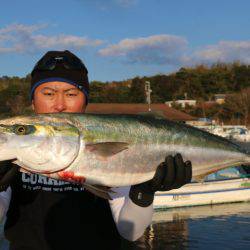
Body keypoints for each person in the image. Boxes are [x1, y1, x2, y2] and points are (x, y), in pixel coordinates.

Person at [0, 50, 192, 250]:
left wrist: (143, 192)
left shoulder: (110, 138)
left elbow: (131, 232)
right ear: (33, 101)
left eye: (71, 94)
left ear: (85, 101)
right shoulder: (12, 157)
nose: (59, 104)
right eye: (48, 93)